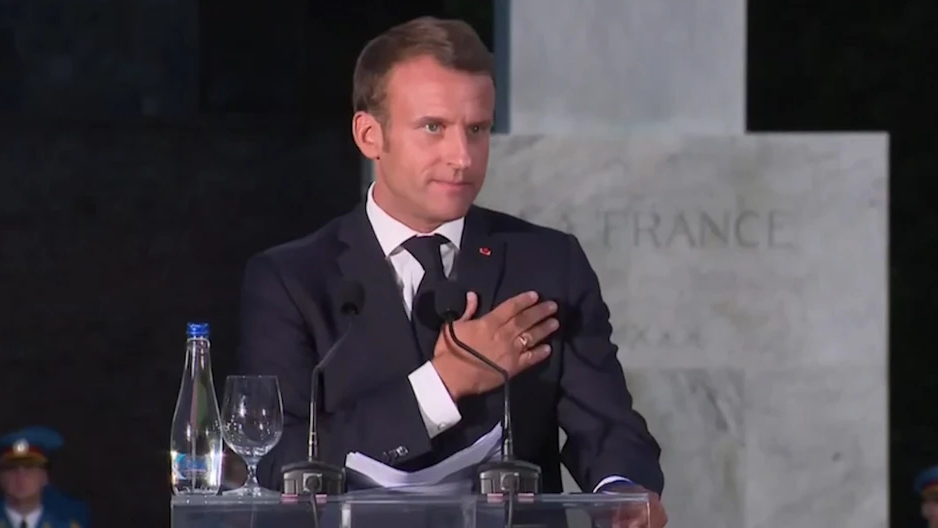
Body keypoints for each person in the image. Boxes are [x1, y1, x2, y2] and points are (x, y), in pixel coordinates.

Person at [238, 15, 667, 527]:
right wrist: (442, 385)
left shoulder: (548, 262)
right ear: (370, 135)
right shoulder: (291, 279)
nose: (462, 157)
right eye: (433, 128)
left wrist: (621, 491)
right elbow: (276, 459)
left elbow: (608, 426)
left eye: (477, 129)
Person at [0, 427, 89, 528]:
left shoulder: (69, 525)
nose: (20, 476)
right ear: (0, 477)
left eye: (29, 468)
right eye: (11, 468)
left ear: (45, 476)